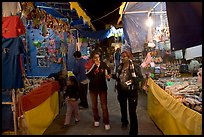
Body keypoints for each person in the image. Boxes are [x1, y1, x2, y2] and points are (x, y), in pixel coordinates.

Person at [112, 50, 143, 135]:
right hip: (121, 91)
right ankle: (124, 122)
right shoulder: (120, 66)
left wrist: (130, 82)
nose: (123, 58)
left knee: (132, 111)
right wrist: (111, 76)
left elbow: (140, 78)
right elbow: (117, 76)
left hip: (132, 92)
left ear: (129, 57)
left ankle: (133, 131)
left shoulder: (135, 66)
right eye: (122, 57)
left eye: (125, 56)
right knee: (123, 108)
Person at [85, 51, 111, 130]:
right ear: (92, 58)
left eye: (98, 57)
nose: (97, 59)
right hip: (93, 88)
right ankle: (96, 119)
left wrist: (108, 76)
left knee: (104, 105)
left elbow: (108, 73)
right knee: (94, 105)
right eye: (95, 57)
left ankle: (106, 122)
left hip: (102, 88)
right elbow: (88, 75)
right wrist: (94, 67)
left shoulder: (103, 64)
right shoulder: (90, 65)